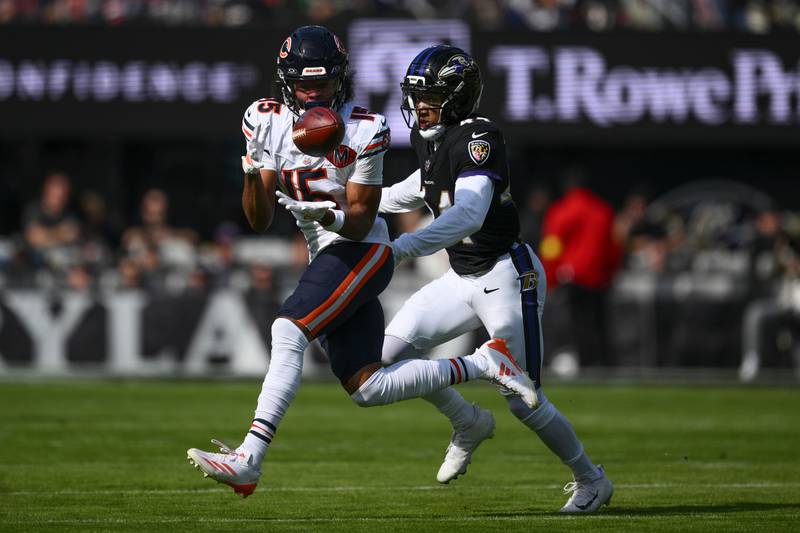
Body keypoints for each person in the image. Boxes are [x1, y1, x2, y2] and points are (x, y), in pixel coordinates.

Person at [186, 26, 535, 498]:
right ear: (286, 82)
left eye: (325, 83)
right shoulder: (263, 119)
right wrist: (252, 171)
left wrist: (328, 213)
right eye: (306, 85)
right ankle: (477, 387)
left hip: (363, 250)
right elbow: (259, 218)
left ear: (341, 79)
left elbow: (359, 221)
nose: (315, 93)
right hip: (325, 254)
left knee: (287, 330)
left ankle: (249, 457)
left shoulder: (366, 127)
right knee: (368, 387)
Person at [378, 45, 612, 513]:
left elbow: (468, 213)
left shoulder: (480, 136)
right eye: (416, 95)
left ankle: (591, 480)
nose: (419, 105)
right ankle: (466, 420)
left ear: (459, 97)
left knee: (523, 399)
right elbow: (414, 190)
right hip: (460, 276)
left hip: (506, 275)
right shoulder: (433, 138)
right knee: (375, 360)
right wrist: (345, 204)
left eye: (430, 96)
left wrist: (402, 248)